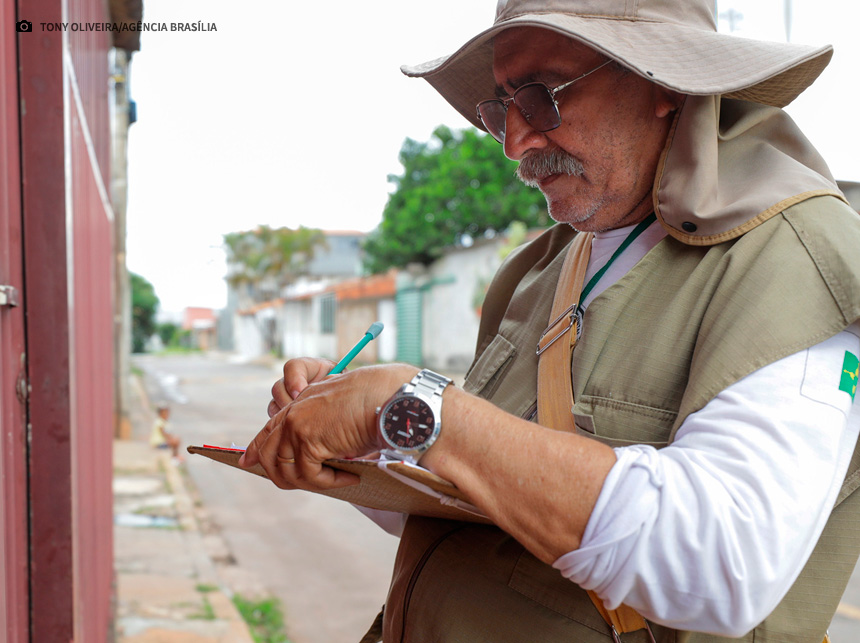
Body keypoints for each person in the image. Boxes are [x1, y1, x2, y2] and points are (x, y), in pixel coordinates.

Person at [240, 1, 860, 641]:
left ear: (659, 84)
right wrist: (371, 434)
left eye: (541, 97)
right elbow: (487, 496)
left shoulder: (793, 255)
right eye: (501, 106)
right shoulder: (541, 267)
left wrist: (422, 409)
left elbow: (723, 568)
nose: (515, 141)